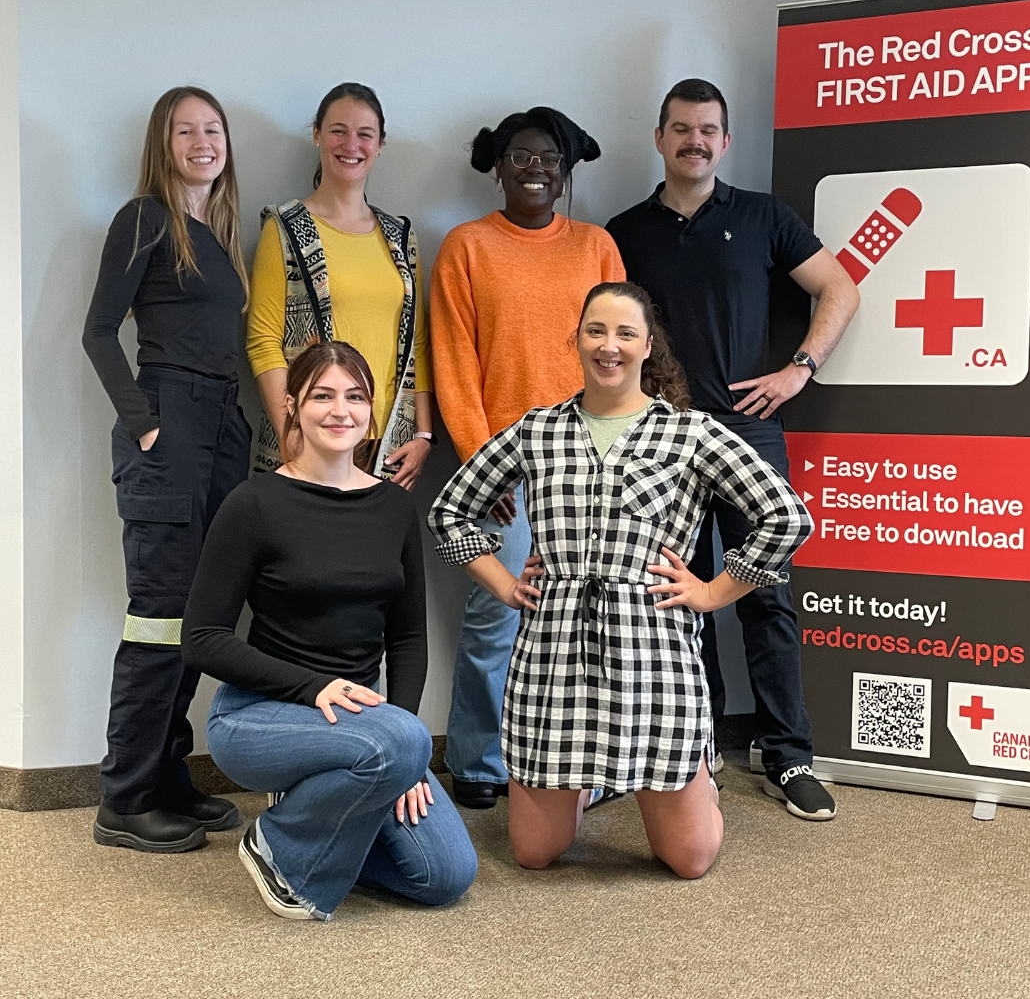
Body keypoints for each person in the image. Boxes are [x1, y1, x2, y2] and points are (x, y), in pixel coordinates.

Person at [430, 283, 811, 876]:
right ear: (577, 341)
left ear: (647, 345)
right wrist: (505, 586)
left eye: (625, 333)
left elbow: (786, 517)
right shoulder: (537, 431)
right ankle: (589, 784)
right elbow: (449, 512)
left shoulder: (691, 434)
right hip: (553, 655)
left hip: (652, 653)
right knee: (535, 854)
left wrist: (713, 592)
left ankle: (694, 776)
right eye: (596, 331)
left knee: (689, 859)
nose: (609, 346)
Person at [605, 78, 859, 821]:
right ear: (658, 138)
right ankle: (699, 745)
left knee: (765, 592)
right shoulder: (622, 233)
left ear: (725, 139)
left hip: (749, 431)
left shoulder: (764, 217)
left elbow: (840, 289)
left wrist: (798, 370)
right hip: (661, 435)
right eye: (681, 128)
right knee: (675, 595)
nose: (695, 140)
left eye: (708, 129)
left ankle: (789, 756)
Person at [181, 341, 477, 921]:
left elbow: (408, 639)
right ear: (292, 405)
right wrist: (316, 689)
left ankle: (331, 803)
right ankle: (276, 842)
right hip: (258, 717)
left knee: (446, 875)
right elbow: (203, 637)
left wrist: (405, 748)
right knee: (400, 745)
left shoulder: (393, 507)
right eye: (322, 396)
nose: (340, 410)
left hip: (361, 726)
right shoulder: (254, 503)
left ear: (372, 409)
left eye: (355, 396)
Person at [430, 106, 625, 808]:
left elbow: (618, 351)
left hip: (591, 466)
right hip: (506, 472)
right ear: (496, 165)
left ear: (567, 169)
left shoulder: (597, 247)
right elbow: (452, 363)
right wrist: (484, 467)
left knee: (592, 617)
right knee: (497, 616)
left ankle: (586, 762)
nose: (535, 169)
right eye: (520, 156)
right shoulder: (466, 247)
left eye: (549, 158)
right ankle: (480, 763)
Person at [82, 86, 251, 853]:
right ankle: (123, 797)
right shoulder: (144, 216)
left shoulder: (215, 235)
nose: (201, 141)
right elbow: (96, 332)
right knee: (159, 616)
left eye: (211, 129)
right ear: (163, 143)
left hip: (220, 425)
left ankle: (167, 776)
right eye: (185, 131)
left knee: (198, 616)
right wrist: (144, 421)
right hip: (170, 423)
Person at [247, 82, 434, 488]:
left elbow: (417, 343)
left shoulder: (402, 238)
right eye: (338, 130)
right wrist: (292, 436)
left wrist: (423, 434)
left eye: (365, 134)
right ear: (317, 134)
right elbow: (263, 342)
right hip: (309, 441)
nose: (351, 144)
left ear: (380, 144)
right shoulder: (285, 228)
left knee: (377, 553)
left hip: (389, 446)